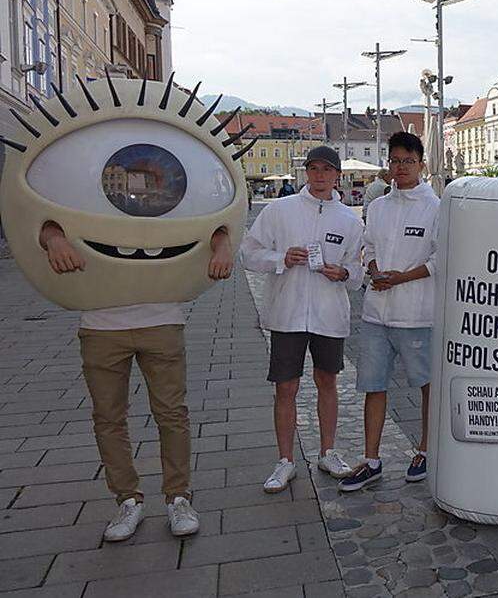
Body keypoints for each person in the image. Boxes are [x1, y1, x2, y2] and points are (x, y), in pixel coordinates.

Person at [39, 222, 234, 541]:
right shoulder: (90, 187)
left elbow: (204, 224)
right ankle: (127, 499)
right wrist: (54, 238)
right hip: (101, 324)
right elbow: (44, 219)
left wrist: (224, 245)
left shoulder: (163, 192)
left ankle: (178, 497)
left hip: (160, 320)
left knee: (172, 413)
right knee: (108, 417)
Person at [241, 145, 364, 493]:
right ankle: (285, 461)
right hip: (288, 313)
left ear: (337, 175)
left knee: (328, 382)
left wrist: (343, 272)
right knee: (286, 387)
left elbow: (357, 272)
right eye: (314, 169)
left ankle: (328, 451)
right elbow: (249, 254)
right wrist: (282, 257)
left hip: (328, 314)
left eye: (328, 169)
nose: (321, 175)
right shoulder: (281, 210)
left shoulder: (349, 220)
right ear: (305, 172)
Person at [339, 133, 438, 491]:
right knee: (373, 385)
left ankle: (427, 450)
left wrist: (402, 278)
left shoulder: (436, 207)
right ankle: (371, 458)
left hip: (417, 315)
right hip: (376, 313)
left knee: (428, 385)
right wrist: (376, 268)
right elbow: (368, 245)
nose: (401, 168)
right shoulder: (379, 206)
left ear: (421, 164)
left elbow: (440, 259)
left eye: (408, 162)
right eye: (395, 161)